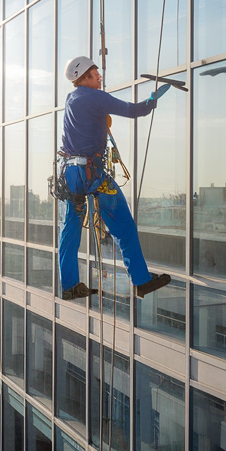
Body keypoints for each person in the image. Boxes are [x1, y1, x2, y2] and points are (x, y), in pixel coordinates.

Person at [57, 56, 173, 300]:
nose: (99, 76)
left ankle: (69, 285)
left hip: (71, 173)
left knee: (71, 228)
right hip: (92, 174)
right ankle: (141, 280)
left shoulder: (72, 99)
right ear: (83, 77)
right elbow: (134, 111)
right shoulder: (94, 97)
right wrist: (151, 102)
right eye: (95, 73)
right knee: (123, 226)